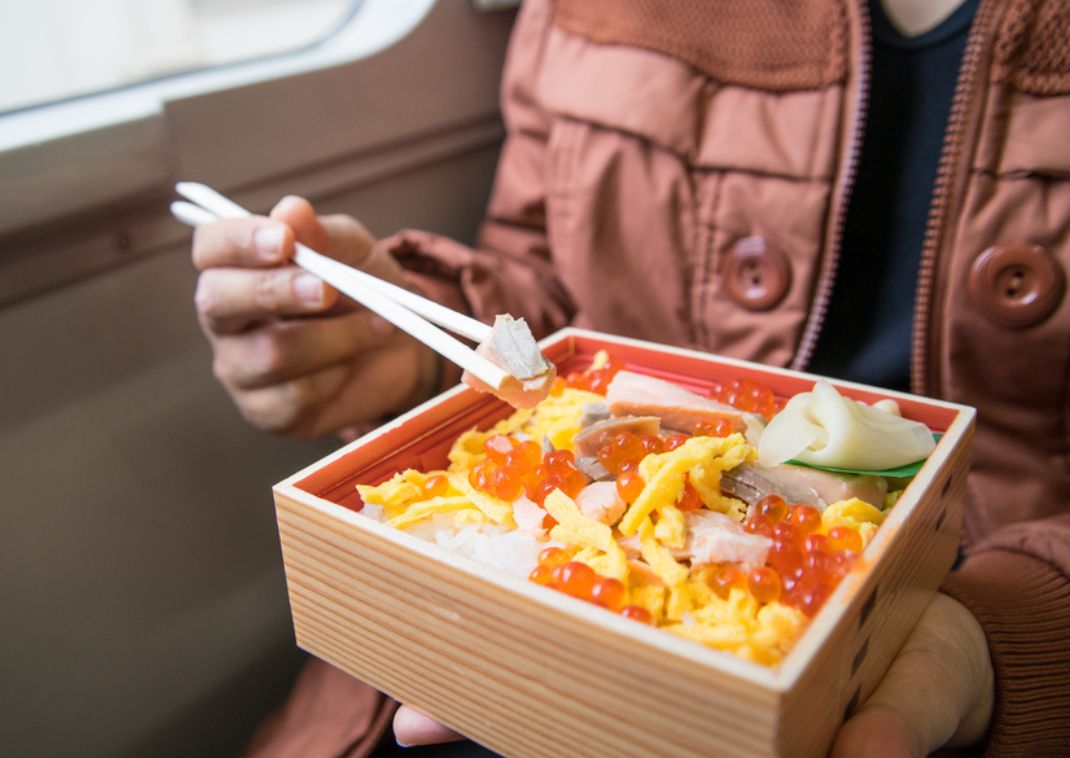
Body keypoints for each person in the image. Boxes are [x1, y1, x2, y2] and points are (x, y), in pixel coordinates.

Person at [193, 0, 1070, 755]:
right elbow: (546, 296)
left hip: (939, 622)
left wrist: (1013, 629)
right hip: (479, 635)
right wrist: (414, 358)